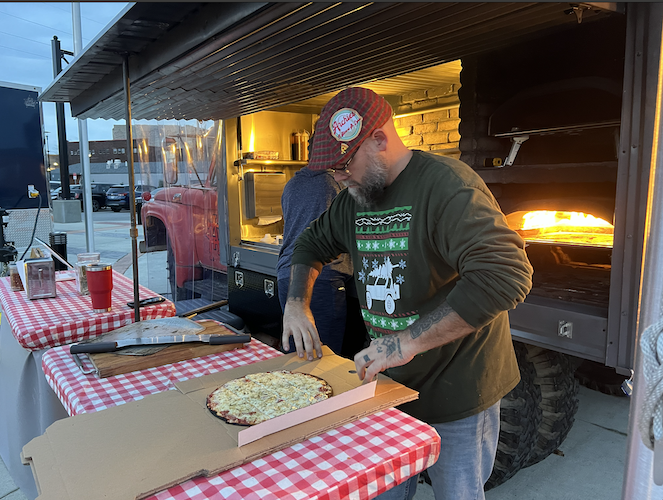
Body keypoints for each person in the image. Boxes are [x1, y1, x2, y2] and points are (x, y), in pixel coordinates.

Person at [281, 87, 533, 500]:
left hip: (460, 390)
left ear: (380, 140)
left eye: (345, 164)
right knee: (384, 491)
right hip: (390, 386)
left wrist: (407, 342)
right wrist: (296, 304)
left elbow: (505, 274)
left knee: (459, 494)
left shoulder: (447, 187)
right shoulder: (354, 201)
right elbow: (310, 244)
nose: (339, 177)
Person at [277, 165, 366, 357]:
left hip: (287, 273)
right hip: (322, 276)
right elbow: (351, 225)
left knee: (299, 352)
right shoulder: (333, 183)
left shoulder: (291, 184)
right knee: (323, 357)